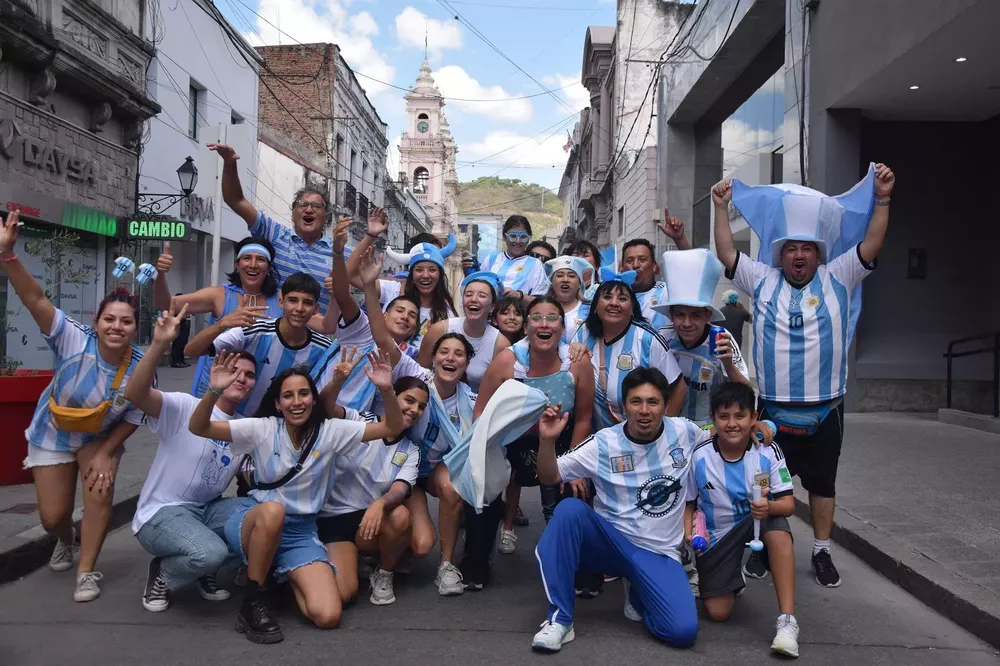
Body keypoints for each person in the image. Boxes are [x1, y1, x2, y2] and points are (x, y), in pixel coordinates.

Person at [711, 163, 895, 587]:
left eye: (807, 248)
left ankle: (822, 551)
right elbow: (726, 253)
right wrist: (721, 208)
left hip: (826, 407)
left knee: (823, 485)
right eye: (791, 247)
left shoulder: (840, 276)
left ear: (818, 253)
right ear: (780, 253)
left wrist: (882, 198)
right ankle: (760, 544)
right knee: (766, 484)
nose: (798, 255)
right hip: (773, 407)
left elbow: (873, 240)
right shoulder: (761, 279)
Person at [188, 352, 404, 642]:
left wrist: (387, 389)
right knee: (274, 510)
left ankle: (281, 577)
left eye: (304, 393)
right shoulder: (262, 428)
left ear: (314, 399)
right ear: (278, 404)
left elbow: (391, 428)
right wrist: (213, 390)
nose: (297, 401)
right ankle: (253, 601)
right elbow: (198, 427)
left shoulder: (331, 432)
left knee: (328, 615)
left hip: (301, 532)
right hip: (257, 520)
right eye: (288, 396)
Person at [0, 210, 147, 602]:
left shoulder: (139, 365)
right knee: (52, 517)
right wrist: (8, 255)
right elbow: (34, 298)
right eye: (110, 319)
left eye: (127, 321)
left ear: (136, 328)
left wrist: (107, 451)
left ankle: (87, 570)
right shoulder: (70, 337)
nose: (117, 327)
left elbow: (134, 414)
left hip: (99, 436)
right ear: (96, 322)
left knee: (100, 491)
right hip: (53, 431)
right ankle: (64, 538)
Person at [531, 367, 702, 652]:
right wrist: (546, 441)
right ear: (624, 407)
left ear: (665, 405)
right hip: (609, 542)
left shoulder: (685, 430)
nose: (644, 410)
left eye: (653, 402)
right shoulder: (603, 442)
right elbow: (549, 476)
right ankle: (560, 620)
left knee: (682, 633)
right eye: (636, 402)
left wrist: (763, 427)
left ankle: (639, 591)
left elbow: (724, 436)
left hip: (657, 553)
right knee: (569, 511)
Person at [124, 304, 258, 613]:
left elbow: (255, 478)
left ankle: (202, 569)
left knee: (265, 517)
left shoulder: (244, 430)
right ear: (219, 371)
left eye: (249, 375)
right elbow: (135, 393)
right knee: (209, 552)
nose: (241, 378)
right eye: (235, 370)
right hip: (160, 515)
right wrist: (159, 345)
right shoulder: (184, 406)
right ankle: (165, 573)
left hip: (205, 511)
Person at [474, 297, 594, 564]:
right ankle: (475, 562)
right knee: (484, 495)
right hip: (513, 439)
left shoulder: (577, 362)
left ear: (563, 328)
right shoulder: (507, 361)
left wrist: (575, 465)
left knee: (574, 494)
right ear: (527, 327)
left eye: (552, 318)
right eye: (537, 318)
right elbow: (481, 412)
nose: (544, 324)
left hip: (562, 439)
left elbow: (585, 417)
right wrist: (484, 460)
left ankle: (577, 566)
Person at [687, 382, 799, 658]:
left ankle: (787, 622)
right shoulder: (699, 455)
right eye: (724, 417)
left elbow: (788, 504)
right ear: (713, 419)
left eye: (740, 416)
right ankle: (731, 576)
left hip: (757, 521)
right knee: (718, 613)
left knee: (778, 528)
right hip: (718, 537)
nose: (732, 424)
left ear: (753, 419)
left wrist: (767, 508)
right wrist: (688, 536)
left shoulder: (768, 451)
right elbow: (688, 503)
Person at [317, 355, 429, 607]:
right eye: (409, 400)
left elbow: (401, 488)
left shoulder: (411, 449)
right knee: (343, 594)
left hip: (368, 522)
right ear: (392, 398)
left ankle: (384, 572)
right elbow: (325, 408)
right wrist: (337, 382)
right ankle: (334, 560)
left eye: (421, 407)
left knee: (400, 515)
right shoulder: (361, 421)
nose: (414, 410)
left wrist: (380, 503)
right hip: (333, 518)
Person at [208, 143, 336, 314]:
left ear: (326, 217)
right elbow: (235, 200)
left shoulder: (341, 253)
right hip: (272, 333)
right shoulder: (275, 234)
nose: (309, 209)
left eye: (316, 206)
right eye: (302, 205)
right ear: (292, 215)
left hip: (317, 335)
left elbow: (371, 284)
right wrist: (230, 164)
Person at [184, 272, 334, 416]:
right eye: (293, 300)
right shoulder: (254, 331)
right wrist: (222, 324)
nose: (299, 308)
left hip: (279, 430)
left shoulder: (323, 348)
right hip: (235, 421)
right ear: (281, 302)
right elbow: (191, 351)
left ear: (316, 309)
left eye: (307, 303)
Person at [405, 332, 477, 596]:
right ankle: (389, 556)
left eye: (459, 354)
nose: (450, 358)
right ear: (433, 358)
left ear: (467, 364)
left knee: (450, 487)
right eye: (444, 351)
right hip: (404, 469)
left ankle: (446, 565)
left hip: (437, 468)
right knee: (421, 545)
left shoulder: (471, 400)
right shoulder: (415, 385)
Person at [574, 268, 687, 430]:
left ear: (633, 306)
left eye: (622, 298)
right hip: (593, 440)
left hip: (639, 442)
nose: (614, 303)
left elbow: (678, 386)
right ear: (595, 305)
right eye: (607, 297)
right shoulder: (584, 333)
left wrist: (663, 430)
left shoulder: (648, 340)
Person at [651, 249, 751, 427]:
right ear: (671, 316)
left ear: (708, 316)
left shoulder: (721, 338)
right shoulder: (661, 338)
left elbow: (746, 390)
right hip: (668, 427)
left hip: (709, 430)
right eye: (680, 315)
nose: (687, 323)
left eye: (695, 315)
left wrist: (728, 365)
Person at [347, 208, 456, 357]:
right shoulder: (393, 289)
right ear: (411, 273)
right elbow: (351, 275)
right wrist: (371, 235)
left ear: (440, 274)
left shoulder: (446, 312)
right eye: (419, 270)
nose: (425, 275)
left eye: (432, 269)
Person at [418, 271, 509, 392]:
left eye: (482, 295)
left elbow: (498, 389)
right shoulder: (440, 329)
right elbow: (421, 372)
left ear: (492, 306)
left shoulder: (501, 344)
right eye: (468, 294)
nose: (474, 299)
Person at [469, 215, 547, 304]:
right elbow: (477, 286)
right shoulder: (492, 258)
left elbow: (540, 302)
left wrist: (519, 295)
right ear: (504, 237)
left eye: (523, 237)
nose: (518, 241)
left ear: (529, 238)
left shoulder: (535, 264)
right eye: (513, 236)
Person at [544, 255, 591, 343]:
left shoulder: (590, 310)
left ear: (579, 284)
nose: (565, 280)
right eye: (560, 275)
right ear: (551, 283)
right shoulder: (542, 308)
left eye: (571, 276)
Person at [169, 293, 191, 368]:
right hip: (178, 326)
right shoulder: (175, 307)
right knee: (177, 344)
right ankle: (175, 361)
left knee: (183, 343)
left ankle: (181, 360)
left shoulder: (183, 306)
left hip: (185, 325)